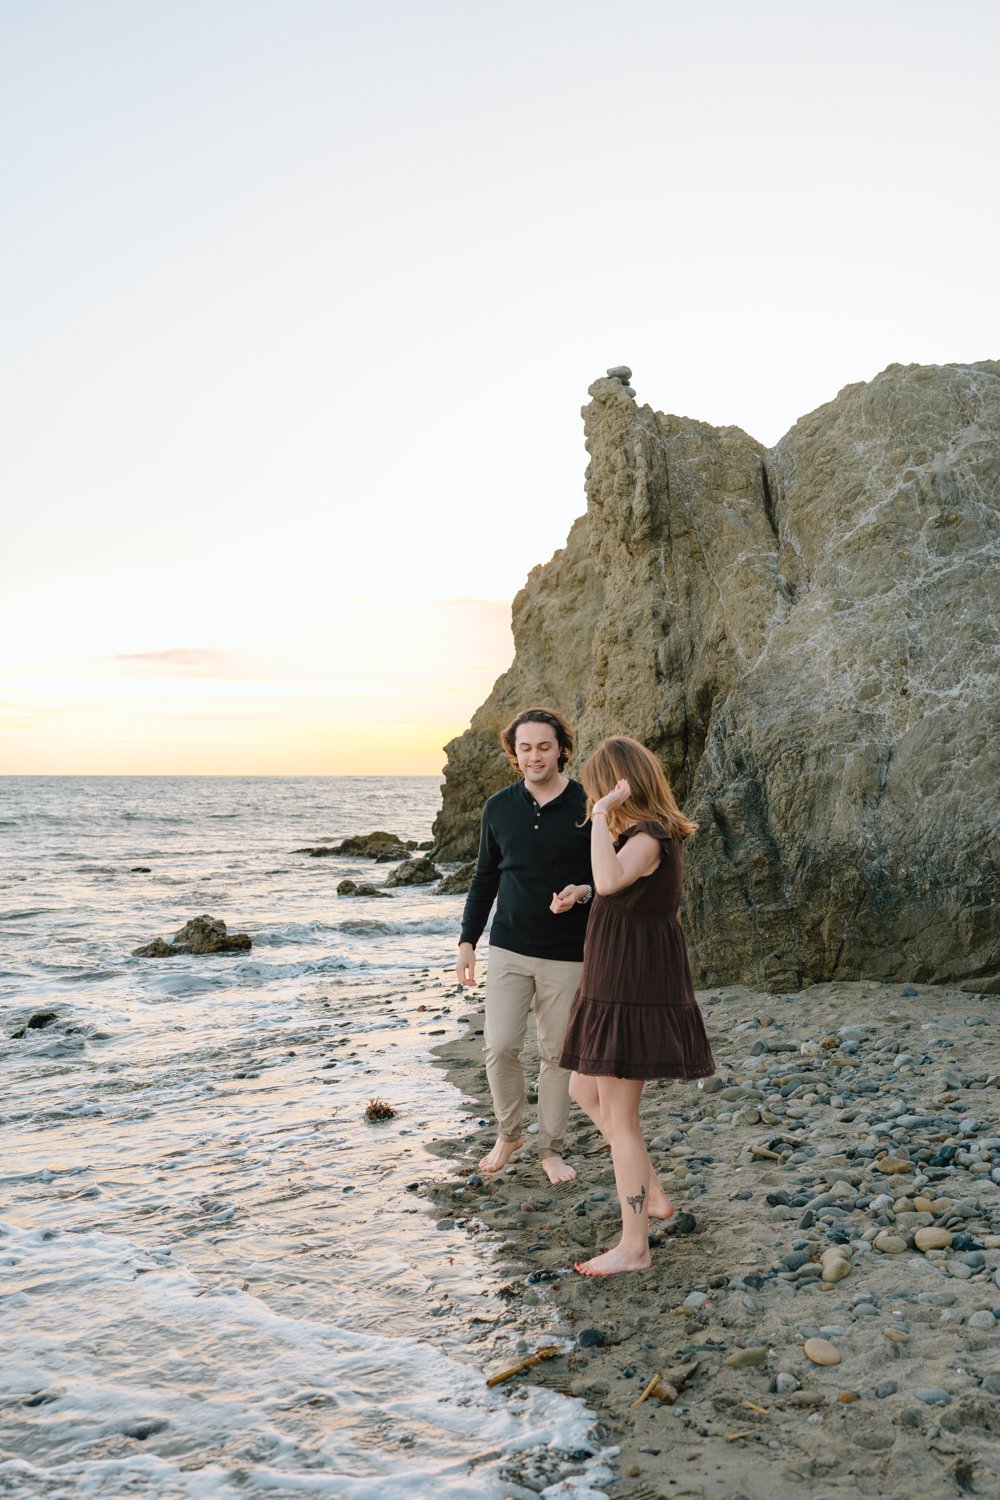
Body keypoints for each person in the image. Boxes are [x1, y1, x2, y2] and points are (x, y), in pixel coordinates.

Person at [559, 736, 715, 1275]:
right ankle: (653, 1193)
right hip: (615, 979)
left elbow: (613, 877)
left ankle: (635, 1247)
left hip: (629, 985)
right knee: (582, 1087)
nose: (593, 797)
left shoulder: (647, 835)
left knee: (621, 1121)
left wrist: (601, 817)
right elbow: (611, 886)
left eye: (597, 788)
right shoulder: (640, 837)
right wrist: (584, 891)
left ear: (619, 785)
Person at [456, 707, 594, 1186]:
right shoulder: (498, 807)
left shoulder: (587, 805)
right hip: (510, 947)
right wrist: (467, 940)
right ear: (514, 753)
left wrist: (583, 891)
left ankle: (551, 1150)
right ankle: (509, 1133)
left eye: (544, 746)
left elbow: (606, 873)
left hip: (567, 952)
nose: (534, 756)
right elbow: (485, 877)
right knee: (500, 1047)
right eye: (525, 747)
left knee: (557, 1055)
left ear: (561, 749)